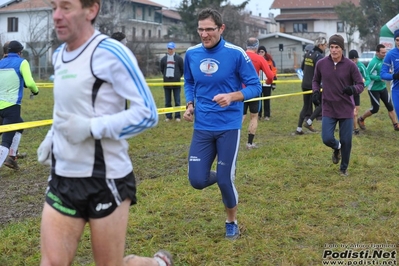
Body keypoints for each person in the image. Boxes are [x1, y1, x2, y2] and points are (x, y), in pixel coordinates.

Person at [37, 0, 172, 264]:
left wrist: (91, 128)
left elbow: (148, 114)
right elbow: (67, 107)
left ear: (91, 10)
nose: (56, 16)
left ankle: (155, 263)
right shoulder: (58, 55)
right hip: (63, 178)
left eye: (66, 7)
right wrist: (52, 136)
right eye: (54, 7)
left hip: (105, 179)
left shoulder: (110, 52)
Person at [183, 8, 261, 240]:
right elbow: (189, 81)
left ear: (221, 29)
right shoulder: (191, 54)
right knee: (197, 180)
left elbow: (255, 86)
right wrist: (189, 104)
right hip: (202, 127)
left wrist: (233, 96)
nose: (204, 34)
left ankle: (231, 221)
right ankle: (225, 174)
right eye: (201, 29)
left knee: (226, 182)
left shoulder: (236, 54)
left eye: (209, 29)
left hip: (228, 125)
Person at [312, 34, 364, 176]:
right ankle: (337, 147)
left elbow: (361, 84)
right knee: (327, 138)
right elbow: (315, 80)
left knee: (347, 140)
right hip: (328, 107)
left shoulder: (350, 66)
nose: (334, 50)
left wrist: (352, 89)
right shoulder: (321, 64)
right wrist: (316, 92)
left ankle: (343, 168)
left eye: (337, 47)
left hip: (346, 108)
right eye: (332, 47)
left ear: (342, 49)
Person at [0, 40, 39, 170]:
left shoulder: (0, 63)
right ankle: (9, 155)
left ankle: (12, 157)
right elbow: (30, 82)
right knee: (6, 140)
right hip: (12, 106)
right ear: (19, 52)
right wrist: (35, 91)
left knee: (20, 125)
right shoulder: (22, 62)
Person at [358, 44, 399, 131]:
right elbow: (367, 75)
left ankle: (396, 125)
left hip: (383, 87)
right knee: (375, 109)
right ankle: (361, 118)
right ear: (377, 53)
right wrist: (379, 78)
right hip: (373, 89)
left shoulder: (385, 60)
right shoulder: (373, 62)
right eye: (382, 53)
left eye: (385, 52)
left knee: (390, 106)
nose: (385, 54)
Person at [242, 38, 274, 149]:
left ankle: (231, 141)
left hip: (240, 91)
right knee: (254, 117)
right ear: (256, 46)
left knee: (240, 116)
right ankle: (249, 143)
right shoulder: (259, 58)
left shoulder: (239, 56)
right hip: (253, 91)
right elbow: (270, 76)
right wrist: (268, 82)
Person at [296, 36, 327, 135]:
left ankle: (299, 128)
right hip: (314, 85)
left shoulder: (308, 54)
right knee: (322, 104)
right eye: (325, 45)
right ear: (320, 45)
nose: (326, 47)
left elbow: (302, 67)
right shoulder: (319, 56)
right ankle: (309, 122)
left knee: (306, 106)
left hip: (304, 83)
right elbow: (321, 72)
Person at [347, 49, 370, 134]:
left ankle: (354, 128)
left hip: (356, 91)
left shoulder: (361, 66)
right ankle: (353, 128)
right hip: (348, 91)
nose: (354, 61)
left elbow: (367, 78)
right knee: (351, 111)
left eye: (355, 59)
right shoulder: (346, 65)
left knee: (355, 112)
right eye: (351, 60)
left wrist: (362, 85)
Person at [160, 42, 184, 122]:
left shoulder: (179, 59)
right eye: (168, 48)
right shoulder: (163, 59)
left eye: (171, 49)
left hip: (176, 82)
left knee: (177, 100)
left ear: (174, 49)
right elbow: (162, 69)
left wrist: (177, 76)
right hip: (167, 82)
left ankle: (177, 116)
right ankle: (168, 116)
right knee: (167, 101)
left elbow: (182, 70)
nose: (170, 50)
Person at [381, 29, 399, 120]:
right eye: (397, 40)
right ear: (395, 41)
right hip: (396, 90)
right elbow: (383, 74)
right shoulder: (390, 54)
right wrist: (394, 76)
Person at [257, 45, 277, 121]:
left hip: (267, 83)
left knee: (267, 100)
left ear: (265, 52)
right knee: (259, 100)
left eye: (262, 51)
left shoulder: (270, 61)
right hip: (258, 83)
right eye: (259, 51)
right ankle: (258, 114)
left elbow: (274, 72)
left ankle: (267, 115)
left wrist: (274, 83)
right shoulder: (256, 60)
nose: (261, 53)